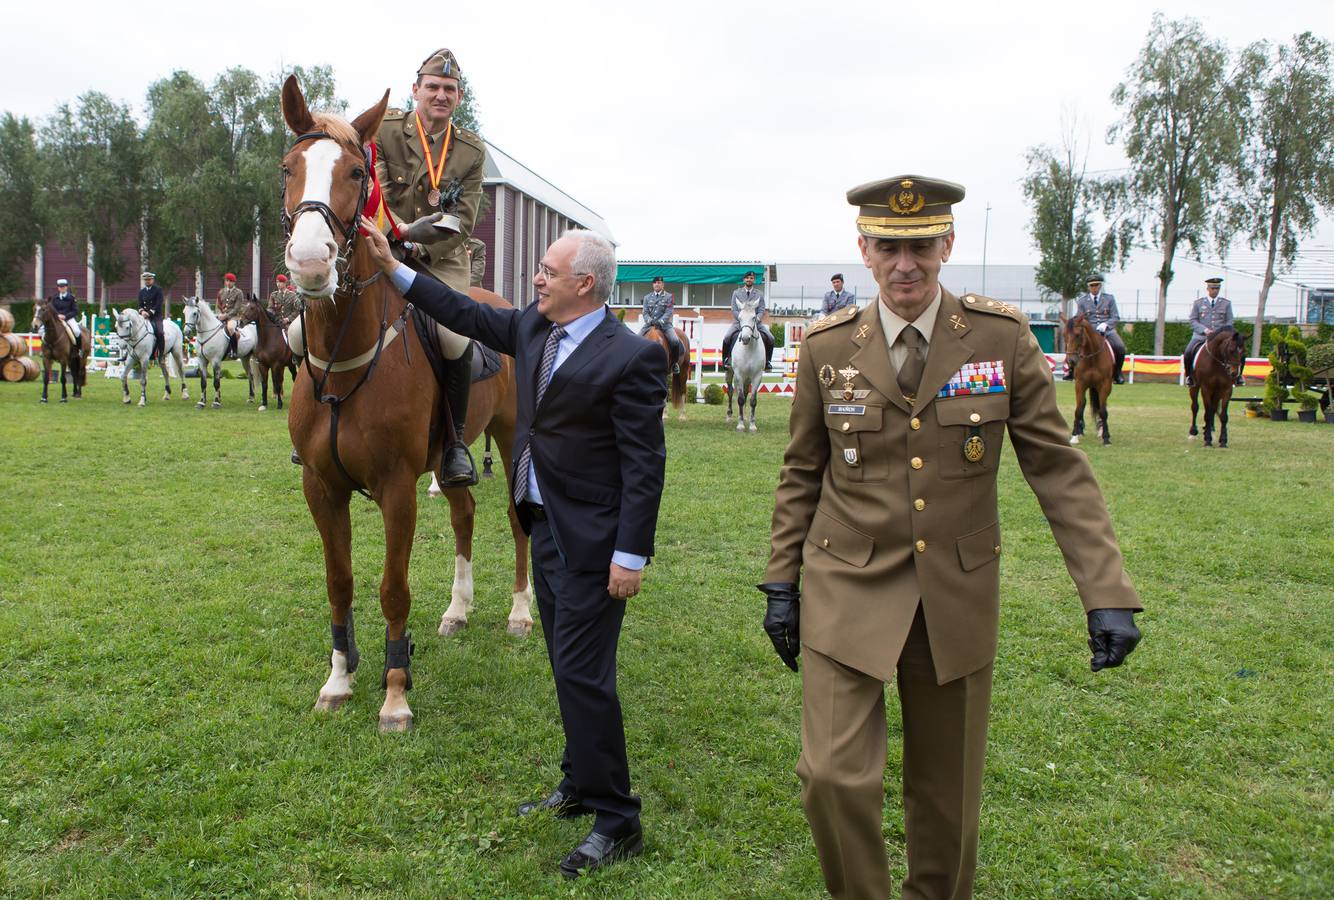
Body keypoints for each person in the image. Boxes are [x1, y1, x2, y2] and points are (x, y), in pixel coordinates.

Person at [759, 175, 1143, 900]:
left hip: (956, 592)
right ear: (864, 250)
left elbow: (1057, 468)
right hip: (848, 584)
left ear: (948, 246)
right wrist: (781, 582)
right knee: (832, 777)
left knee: (948, 797)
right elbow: (801, 471)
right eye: (891, 247)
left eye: (923, 246)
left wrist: (1106, 593)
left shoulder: (999, 337)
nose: (907, 264)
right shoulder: (828, 346)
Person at [362, 217, 665, 880]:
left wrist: (630, 556)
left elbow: (645, 465)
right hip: (544, 528)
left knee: (587, 677)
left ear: (585, 283)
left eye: (548, 273)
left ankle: (618, 818)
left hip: (596, 544)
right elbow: (461, 309)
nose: (536, 280)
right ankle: (579, 782)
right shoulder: (532, 327)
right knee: (566, 667)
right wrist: (393, 270)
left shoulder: (632, 356)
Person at [373, 47, 488, 485]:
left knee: (454, 335)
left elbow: (462, 221)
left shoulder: (470, 152)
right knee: (321, 312)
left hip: (439, 258)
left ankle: (455, 443)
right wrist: (395, 234)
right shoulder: (384, 130)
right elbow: (374, 189)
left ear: (458, 98)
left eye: (450, 90)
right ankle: (314, 419)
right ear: (415, 89)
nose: (441, 95)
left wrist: (418, 247)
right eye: (433, 87)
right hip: (380, 243)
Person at [1067, 275, 1126, 383]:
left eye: (1096, 285)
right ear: (1088, 287)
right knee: (1073, 345)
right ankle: (1071, 371)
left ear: (1100, 286)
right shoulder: (1082, 301)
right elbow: (1080, 318)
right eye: (1091, 286)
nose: (1094, 288)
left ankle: (1117, 373)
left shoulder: (1109, 299)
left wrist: (1106, 324)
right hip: (1089, 333)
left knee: (1120, 347)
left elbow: (1115, 317)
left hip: (1107, 331)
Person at [1184, 276, 1239, 386]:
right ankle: (1190, 376)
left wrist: (1220, 332)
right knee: (1188, 352)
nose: (1215, 291)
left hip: (1221, 339)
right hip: (1200, 336)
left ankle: (1239, 377)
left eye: (1217, 288)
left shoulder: (1226, 303)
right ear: (1208, 289)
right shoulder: (1198, 303)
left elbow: (1229, 321)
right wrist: (1204, 330)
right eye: (1213, 288)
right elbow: (1193, 320)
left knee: (1238, 351)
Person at [721, 270, 774, 369]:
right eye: (747, 278)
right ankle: (726, 360)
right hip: (739, 322)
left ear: (754, 280)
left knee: (771, 338)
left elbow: (762, 309)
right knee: (727, 337)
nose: (749, 280)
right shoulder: (736, 293)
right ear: (744, 279)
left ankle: (767, 361)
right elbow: (734, 309)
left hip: (756, 323)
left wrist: (757, 318)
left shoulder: (759, 294)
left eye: (751, 278)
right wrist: (742, 320)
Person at [638, 276, 684, 374]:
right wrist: (650, 321)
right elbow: (645, 312)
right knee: (636, 339)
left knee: (675, 341)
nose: (657, 284)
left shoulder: (669, 297)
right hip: (649, 325)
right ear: (653, 285)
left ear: (662, 284)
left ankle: (674, 364)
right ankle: (636, 364)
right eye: (655, 283)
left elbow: (669, 312)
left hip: (665, 326)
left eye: (659, 283)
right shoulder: (647, 297)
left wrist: (660, 321)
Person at [137, 272, 165, 360]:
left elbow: (158, 303)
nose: (147, 281)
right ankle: (130, 353)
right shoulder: (141, 292)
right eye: (146, 280)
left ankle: (161, 354)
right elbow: (140, 304)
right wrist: (142, 311)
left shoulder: (158, 290)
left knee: (160, 332)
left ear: (153, 280)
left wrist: (149, 313)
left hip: (156, 316)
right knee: (134, 331)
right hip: (144, 316)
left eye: (149, 280)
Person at [216, 273, 245, 356]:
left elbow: (237, 308)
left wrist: (226, 315)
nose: (228, 283)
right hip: (221, 316)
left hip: (233, 317)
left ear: (234, 282)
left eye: (231, 281)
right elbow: (218, 305)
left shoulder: (238, 292)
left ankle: (234, 350)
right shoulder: (221, 292)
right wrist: (219, 314)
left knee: (231, 328)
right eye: (227, 281)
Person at [46, 278, 83, 343]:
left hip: (68, 319)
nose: (62, 288)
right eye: (60, 287)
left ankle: (78, 348)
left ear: (66, 287)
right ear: (58, 288)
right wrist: (57, 315)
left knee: (76, 331)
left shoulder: (71, 298)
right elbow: (51, 309)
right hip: (56, 318)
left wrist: (65, 316)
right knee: (43, 329)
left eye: (63, 286)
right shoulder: (54, 297)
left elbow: (75, 310)